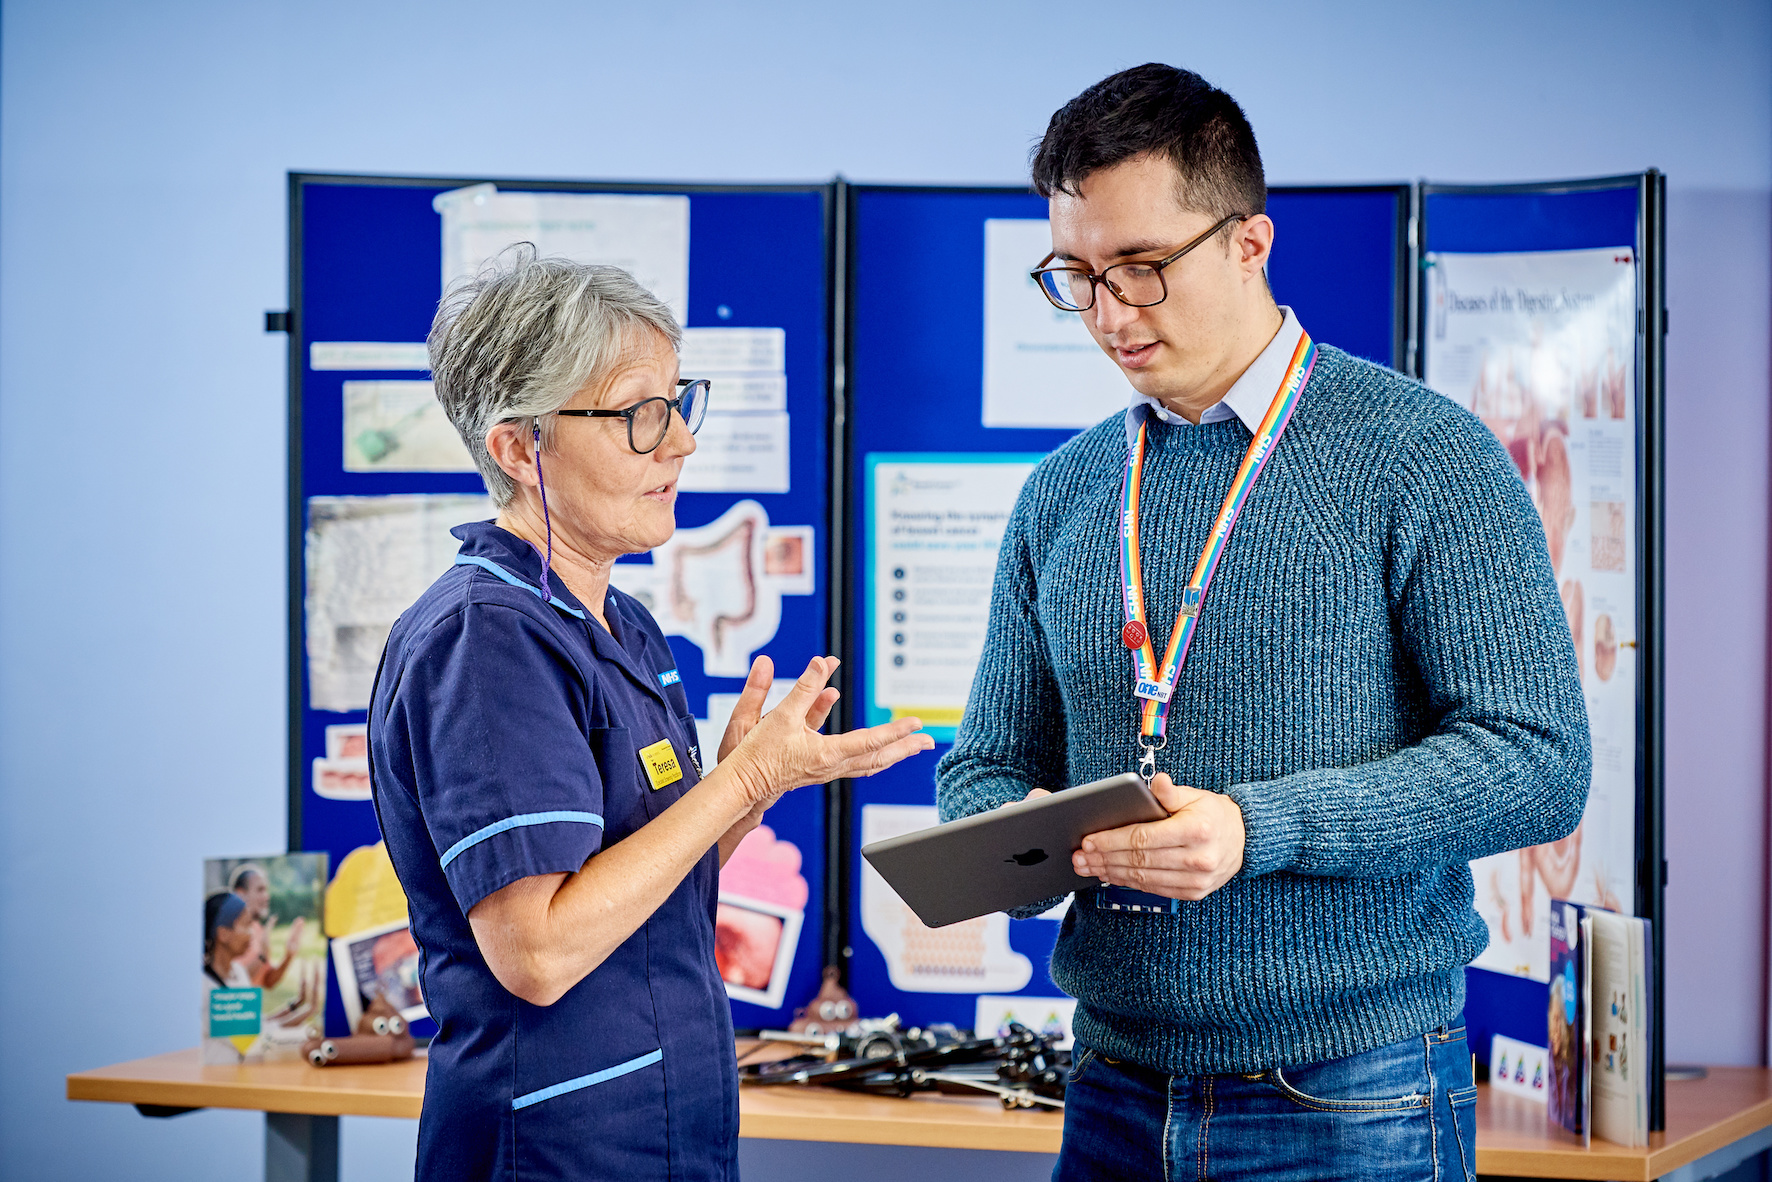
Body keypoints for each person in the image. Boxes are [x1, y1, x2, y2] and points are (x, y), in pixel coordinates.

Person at [935, 64, 1589, 1181]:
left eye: (1142, 268)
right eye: (1074, 276)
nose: (1109, 313)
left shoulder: (1418, 453)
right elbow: (985, 768)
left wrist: (1254, 829)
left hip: (1351, 1092)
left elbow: (1535, 762)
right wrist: (1027, 841)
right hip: (1108, 1087)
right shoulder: (1062, 492)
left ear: (1249, 242)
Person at [369, 249, 932, 1181]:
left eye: (678, 405)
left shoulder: (618, 622)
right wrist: (743, 780)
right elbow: (540, 949)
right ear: (518, 446)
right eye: (639, 415)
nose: (680, 444)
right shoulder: (488, 639)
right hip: (549, 1144)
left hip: (660, 1124)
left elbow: (638, 885)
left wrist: (741, 796)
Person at [230, 864, 304, 990]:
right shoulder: (226, 931)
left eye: (266, 890)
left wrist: (288, 956)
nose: (267, 896)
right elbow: (233, 985)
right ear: (241, 894)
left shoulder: (258, 930)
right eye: (260, 890)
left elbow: (268, 981)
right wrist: (263, 956)